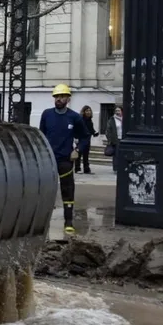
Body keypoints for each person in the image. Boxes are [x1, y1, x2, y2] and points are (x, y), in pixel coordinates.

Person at [39, 83, 89, 235]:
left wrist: (78, 150)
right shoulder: (47, 114)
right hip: (48, 159)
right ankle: (42, 222)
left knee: (67, 190)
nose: (59, 99)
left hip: (65, 160)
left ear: (68, 98)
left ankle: (68, 221)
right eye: (56, 96)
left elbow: (85, 137)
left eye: (62, 96)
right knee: (46, 190)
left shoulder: (74, 117)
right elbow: (42, 134)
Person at [74, 105, 99, 174]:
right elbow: (77, 129)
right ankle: (77, 168)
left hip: (87, 139)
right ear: (84, 112)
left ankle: (86, 169)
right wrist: (76, 138)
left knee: (86, 154)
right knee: (78, 154)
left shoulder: (89, 120)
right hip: (81, 139)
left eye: (89, 110)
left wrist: (94, 133)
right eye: (87, 111)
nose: (88, 112)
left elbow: (90, 129)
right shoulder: (80, 119)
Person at [105, 105, 123, 172]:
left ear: (121, 111)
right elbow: (108, 130)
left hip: (123, 138)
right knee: (116, 154)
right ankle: (116, 168)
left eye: (119, 110)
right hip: (116, 139)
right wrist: (110, 139)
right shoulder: (112, 119)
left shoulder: (124, 119)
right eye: (116, 111)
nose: (117, 112)